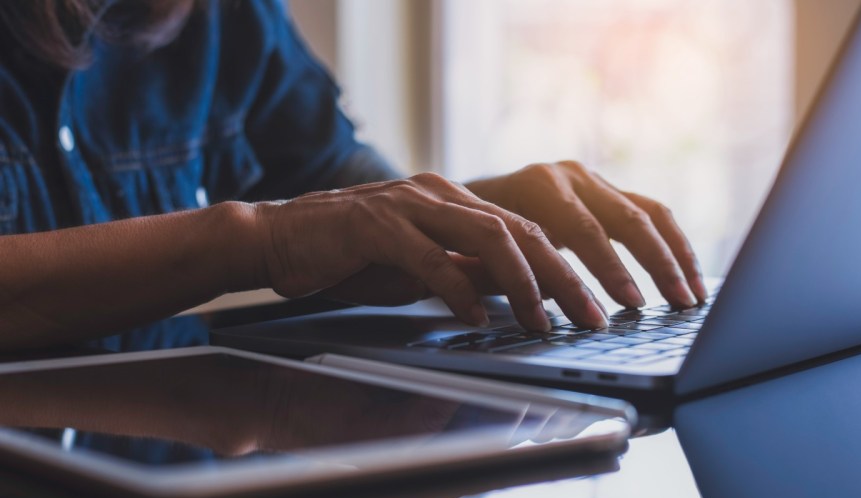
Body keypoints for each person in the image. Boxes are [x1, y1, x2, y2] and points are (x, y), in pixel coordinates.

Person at [0, 0, 706, 353]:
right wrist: (257, 240)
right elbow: (291, 230)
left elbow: (337, 189)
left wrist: (476, 214)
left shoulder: (226, 17)